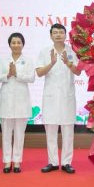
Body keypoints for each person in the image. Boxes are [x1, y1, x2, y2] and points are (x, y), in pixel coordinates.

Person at [35, 23, 81, 174]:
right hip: (51, 97)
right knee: (51, 130)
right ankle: (53, 162)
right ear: (51, 35)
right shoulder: (44, 52)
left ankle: (67, 162)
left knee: (68, 131)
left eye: (61, 32)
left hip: (67, 97)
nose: (58, 35)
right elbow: (39, 73)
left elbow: (78, 72)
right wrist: (52, 63)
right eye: (55, 32)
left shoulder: (72, 51)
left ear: (65, 35)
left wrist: (68, 63)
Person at [0, 32, 35, 174]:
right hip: (6, 100)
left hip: (21, 101)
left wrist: (17, 74)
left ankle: (17, 161)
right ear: (9, 45)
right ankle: (7, 161)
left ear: (23, 44)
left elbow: (31, 78)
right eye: (13, 42)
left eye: (19, 42)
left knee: (19, 134)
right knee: (6, 134)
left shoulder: (28, 60)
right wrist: (8, 74)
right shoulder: (3, 60)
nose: (16, 45)